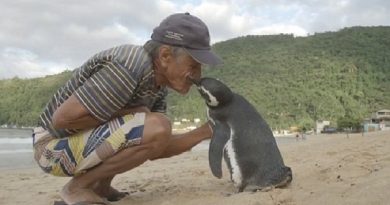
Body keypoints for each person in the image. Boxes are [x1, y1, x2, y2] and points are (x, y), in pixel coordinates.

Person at [33, 12, 222, 205]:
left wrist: (206, 131)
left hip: (73, 145)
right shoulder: (130, 64)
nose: (198, 76)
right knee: (154, 123)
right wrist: (133, 113)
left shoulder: (157, 87)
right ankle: (77, 188)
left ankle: (100, 187)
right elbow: (62, 120)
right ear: (165, 56)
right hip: (50, 148)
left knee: (154, 126)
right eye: (194, 65)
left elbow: (156, 146)